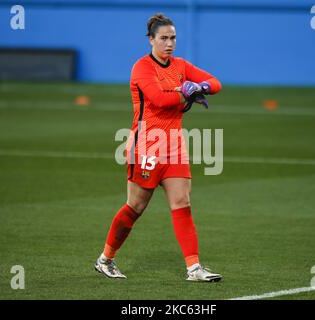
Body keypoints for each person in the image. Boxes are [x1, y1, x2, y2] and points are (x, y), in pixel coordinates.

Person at [95, 13, 222, 282]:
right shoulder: (142, 67)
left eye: (173, 38)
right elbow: (158, 100)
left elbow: (216, 83)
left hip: (174, 146)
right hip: (146, 146)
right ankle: (106, 259)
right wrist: (187, 92)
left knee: (182, 203)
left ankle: (194, 268)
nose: (169, 43)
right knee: (135, 206)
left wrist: (198, 86)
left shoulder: (180, 65)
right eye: (163, 38)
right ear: (151, 40)